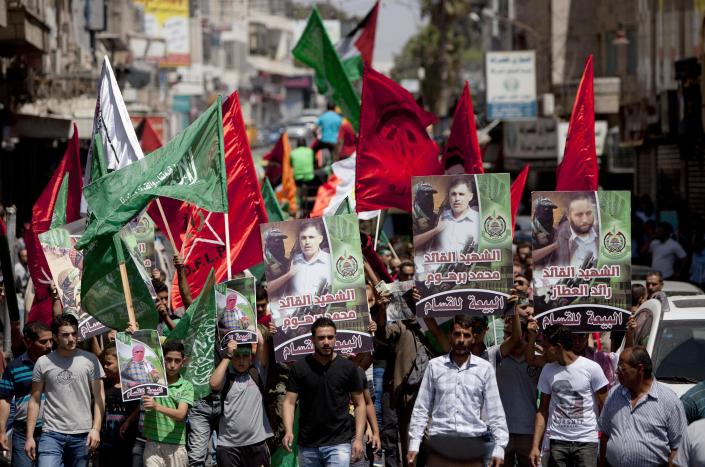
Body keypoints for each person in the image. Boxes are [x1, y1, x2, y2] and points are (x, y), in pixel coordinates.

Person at [407, 314, 508, 467]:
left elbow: (496, 411)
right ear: (450, 336)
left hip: (472, 444)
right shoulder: (435, 366)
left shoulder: (484, 368)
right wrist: (414, 443)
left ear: (473, 338)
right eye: (457, 334)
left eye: (466, 335)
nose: (461, 339)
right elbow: (422, 408)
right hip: (440, 444)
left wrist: (500, 446)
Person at [281, 317, 365, 466]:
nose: (326, 342)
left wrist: (358, 439)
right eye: (321, 338)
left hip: (339, 443)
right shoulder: (300, 368)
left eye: (330, 337)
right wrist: (288, 431)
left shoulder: (348, 368)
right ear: (312, 340)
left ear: (335, 338)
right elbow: (289, 402)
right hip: (308, 445)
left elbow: (360, 404)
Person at [25, 314, 106, 467]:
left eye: (74, 333)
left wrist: (96, 429)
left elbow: (100, 398)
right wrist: (29, 436)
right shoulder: (43, 362)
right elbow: (34, 401)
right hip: (51, 434)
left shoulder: (91, 360)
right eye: (65, 335)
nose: (71, 338)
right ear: (55, 337)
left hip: (82, 435)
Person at [528, 324, 609, 467]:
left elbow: (606, 407)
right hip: (557, 442)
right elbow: (542, 410)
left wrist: (607, 440)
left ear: (558, 347)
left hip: (587, 442)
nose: (544, 351)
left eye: (546, 347)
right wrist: (535, 446)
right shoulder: (547, 370)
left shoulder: (592, 368)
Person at [598, 347, 687, 467]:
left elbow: (678, 447)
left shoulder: (669, 400)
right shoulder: (614, 394)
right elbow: (605, 435)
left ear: (640, 369)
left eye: (622, 368)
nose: (617, 372)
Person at [487, 308, 540, 467]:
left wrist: (534, 343)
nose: (505, 337)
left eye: (509, 333)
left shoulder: (536, 359)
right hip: (501, 431)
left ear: (522, 334)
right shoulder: (495, 355)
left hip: (528, 432)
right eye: (504, 332)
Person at [210, 339, 272, 467]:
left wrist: (249, 327)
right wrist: (228, 355)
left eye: (245, 356)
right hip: (228, 447)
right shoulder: (226, 376)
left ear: (251, 357)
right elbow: (214, 384)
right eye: (237, 356)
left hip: (257, 444)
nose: (241, 360)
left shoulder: (257, 372)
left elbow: (261, 341)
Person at [0, 321, 53, 467]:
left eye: (51, 340)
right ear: (28, 342)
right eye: (43, 341)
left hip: (52, 432)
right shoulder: (14, 367)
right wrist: (2, 431)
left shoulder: (58, 364)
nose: (49, 345)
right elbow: (5, 400)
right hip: (22, 433)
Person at [142, 340, 193, 467]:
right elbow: (140, 352)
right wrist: (132, 333)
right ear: (161, 359)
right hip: (152, 443)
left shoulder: (186, 386)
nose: (172, 365)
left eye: (177, 361)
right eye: (168, 359)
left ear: (183, 361)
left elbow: (181, 414)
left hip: (176, 445)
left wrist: (156, 406)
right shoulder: (150, 380)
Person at [413, 177, 480, 256]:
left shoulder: (436, 215)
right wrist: (436, 230)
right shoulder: (414, 215)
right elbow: (414, 242)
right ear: (418, 197)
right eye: (425, 194)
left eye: (430, 195)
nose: (429, 198)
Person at [268, 220, 331, 299]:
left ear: (320, 239)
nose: (307, 242)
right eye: (303, 238)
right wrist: (288, 275)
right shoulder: (292, 262)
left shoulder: (330, 260)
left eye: (311, 237)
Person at [99, 343, 139, 467]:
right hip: (106, 443)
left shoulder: (134, 385)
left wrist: (128, 421)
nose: (105, 366)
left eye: (109, 363)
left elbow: (141, 406)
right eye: (104, 363)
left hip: (127, 442)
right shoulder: (103, 384)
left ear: (121, 363)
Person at [534, 194, 598, 267]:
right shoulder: (534, 230)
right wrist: (556, 244)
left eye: (589, 213)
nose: (585, 219)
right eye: (579, 215)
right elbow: (532, 256)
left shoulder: (555, 231)